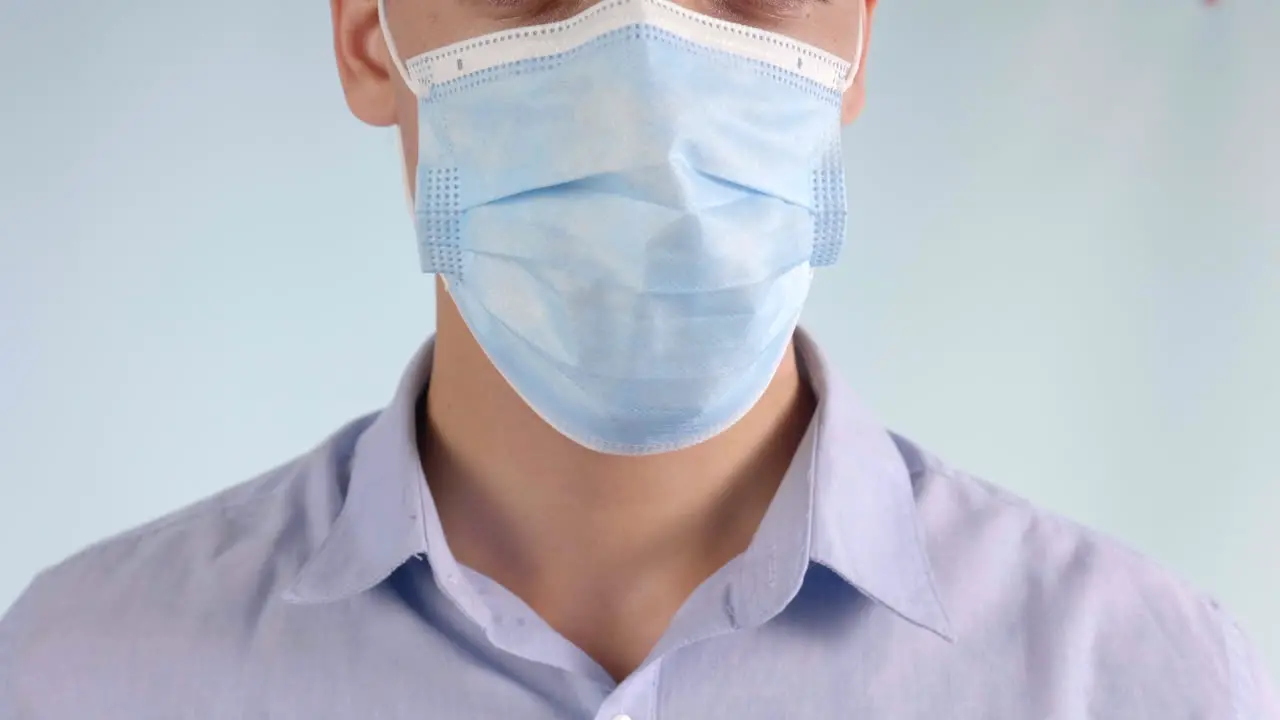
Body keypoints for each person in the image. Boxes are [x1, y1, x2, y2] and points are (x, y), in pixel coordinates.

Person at [1, 0, 1276, 716]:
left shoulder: (1148, 686)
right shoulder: (78, 676)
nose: (645, 83)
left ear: (856, 46)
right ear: (366, 36)